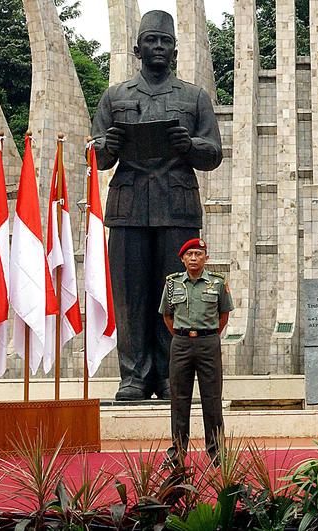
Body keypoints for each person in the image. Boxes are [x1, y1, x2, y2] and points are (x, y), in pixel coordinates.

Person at [90, 10, 223, 401]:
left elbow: (213, 152)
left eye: (165, 41)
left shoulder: (194, 96)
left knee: (176, 293)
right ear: (137, 48)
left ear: (176, 51)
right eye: (152, 40)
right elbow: (95, 154)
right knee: (130, 295)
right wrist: (106, 146)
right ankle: (133, 375)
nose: (159, 47)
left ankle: (169, 376)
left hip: (176, 206)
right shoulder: (115, 96)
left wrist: (191, 146)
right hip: (129, 206)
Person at [159, 238, 233, 462]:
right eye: (189, 254)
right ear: (182, 259)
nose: (193, 258)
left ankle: (216, 452)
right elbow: (167, 315)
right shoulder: (173, 284)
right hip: (181, 343)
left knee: (212, 399)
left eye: (198, 254)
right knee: (179, 399)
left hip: (208, 342)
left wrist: (206, 335)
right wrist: (183, 335)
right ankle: (178, 453)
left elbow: (224, 315)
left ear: (206, 258)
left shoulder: (218, 283)